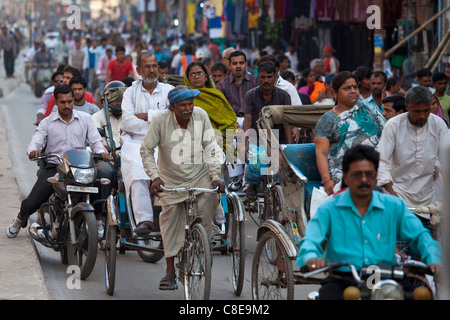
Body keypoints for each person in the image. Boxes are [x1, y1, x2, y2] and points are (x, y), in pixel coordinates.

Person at [296, 144, 441, 300]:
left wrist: (434, 258)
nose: (364, 180)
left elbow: (420, 236)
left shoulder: (394, 206)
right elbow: (311, 240)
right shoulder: (329, 209)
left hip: (386, 278)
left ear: (376, 176)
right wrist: (312, 257)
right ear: (345, 177)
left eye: (369, 174)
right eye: (357, 174)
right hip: (343, 280)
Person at [140, 86, 225, 290]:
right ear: (172, 107)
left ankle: (201, 240)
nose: (188, 108)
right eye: (183, 105)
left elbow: (211, 147)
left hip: (200, 175)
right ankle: (170, 270)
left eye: (190, 104)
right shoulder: (160, 121)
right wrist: (155, 177)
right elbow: (146, 149)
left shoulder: (201, 115)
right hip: (171, 179)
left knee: (211, 199)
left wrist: (215, 176)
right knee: (170, 219)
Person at [6, 85, 109, 238]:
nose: (67, 106)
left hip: (78, 168)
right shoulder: (47, 122)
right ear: (56, 102)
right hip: (55, 167)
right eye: (62, 102)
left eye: (69, 101)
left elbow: (95, 141)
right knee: (33, 200)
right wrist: (33, 151)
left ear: (73, 100)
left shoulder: (85, 119)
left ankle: (97, 221)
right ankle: (21, 217)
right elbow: (36, 141)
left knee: (100, 182)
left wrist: (101, 151)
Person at [120, 51, 174, 233]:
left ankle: (170, 218)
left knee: (170, 174)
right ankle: (145, 220)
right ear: (139, 70)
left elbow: (172, 117)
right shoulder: (130, 93)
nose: (152, 70)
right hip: (136, 142)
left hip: (164, 141)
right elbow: (128, 122)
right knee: (137, 172)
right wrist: (157, 121)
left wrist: (146, 116)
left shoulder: (168, 91)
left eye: (154, 66)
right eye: (147, 67)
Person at [377, 86, 450, 211]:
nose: (422, 115)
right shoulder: (393, 125)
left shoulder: (438, 124)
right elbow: (381, 160)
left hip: (430, 196)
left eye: (426, 110)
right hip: (398, 193)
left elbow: (446, 158)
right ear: (407, 107)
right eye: (417, 111)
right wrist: (392, 193)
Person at [314, 71, 386, 195]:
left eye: (355, 87)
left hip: (377, 168)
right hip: (343, 173)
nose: (353, 91)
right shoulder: (328, 119)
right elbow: (321, 152)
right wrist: (327, 180)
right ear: (335, 93)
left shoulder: (368, 111)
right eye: (347, 88)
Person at [241, 62, 293, 199]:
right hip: (257, 138)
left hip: (278, 138)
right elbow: (247, 120)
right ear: (258, 78)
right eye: (262, 77)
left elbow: (287, 123)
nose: (266, 81)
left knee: (286, 170)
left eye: (269, 77)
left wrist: (291, 147)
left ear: (275, 77)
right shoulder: (250, 95)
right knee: (255, 163)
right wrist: (244, 145)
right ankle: (251, 184)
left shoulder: (284, 96)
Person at [216, 51, 258, 120]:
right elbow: (220, 109)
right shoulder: (222, 85)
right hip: (231, 124)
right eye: (234, 63)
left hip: (252, 122)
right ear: (229, 65)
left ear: (246, 64)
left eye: (241, 63)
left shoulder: (255, 82)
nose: (238, 66)